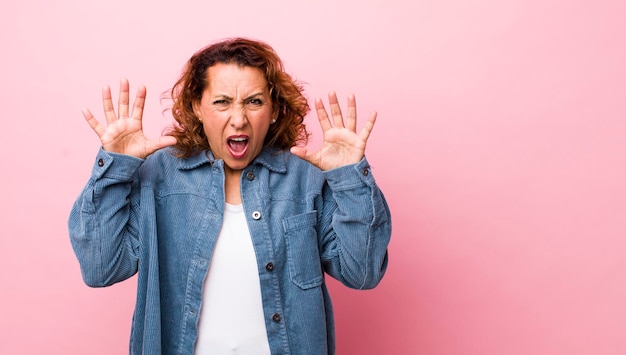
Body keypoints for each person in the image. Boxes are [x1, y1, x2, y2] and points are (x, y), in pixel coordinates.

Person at [68, 37, 391, 355]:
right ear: (197, 107)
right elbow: (101, 269)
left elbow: (361, 273)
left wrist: (349, 177)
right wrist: (116, 168)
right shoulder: (157, 177)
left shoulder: (307, 179)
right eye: (222, 102)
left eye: (254, 101)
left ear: (275, 109)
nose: (239, 119)